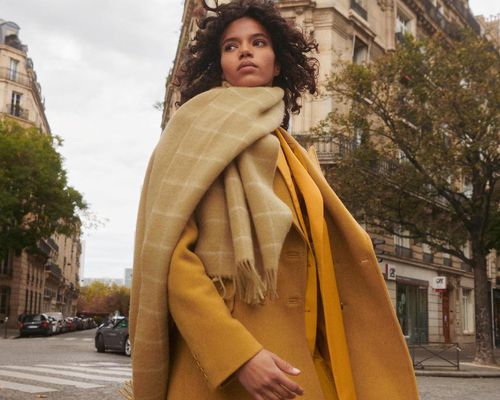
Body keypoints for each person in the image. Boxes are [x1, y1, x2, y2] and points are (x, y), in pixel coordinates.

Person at [127, 1, 419, 400]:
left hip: (296, 373)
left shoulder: (291, 152)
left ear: (278, 62)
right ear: (220, 65)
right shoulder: (193, 129)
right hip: (221, 375)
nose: (244, 51)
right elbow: (170, 258)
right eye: (231, 46)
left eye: (258, 42)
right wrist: (238, 356)